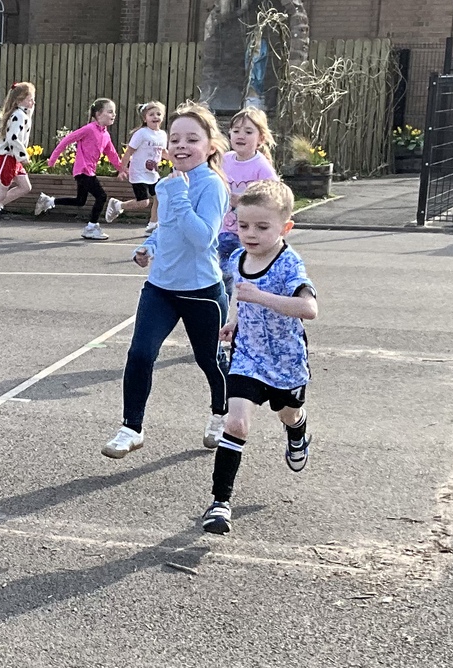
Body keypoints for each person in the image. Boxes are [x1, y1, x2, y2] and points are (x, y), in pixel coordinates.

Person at [100, 102, 232, 461]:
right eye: (175, 139)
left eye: (192, 139)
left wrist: (180, 197)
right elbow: (165, 230)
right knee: (140, 353)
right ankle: (132, 428)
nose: (181, 146)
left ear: (210, 146)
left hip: (202, 291)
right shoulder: (169, 183)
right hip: (160, 287)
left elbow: (202, 238)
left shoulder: (211, 186)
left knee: (209, 359)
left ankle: (221, 414)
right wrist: (148, 247)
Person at [205, 178, 316, 534]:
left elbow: (308, 309)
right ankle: (220, 503)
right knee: (235, 424)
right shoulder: (238, 258)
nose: (250, 234)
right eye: (243, 225)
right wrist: (234, 321)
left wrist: (260, 298)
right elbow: (242, 296)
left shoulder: (289, 264)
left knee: (288, 413)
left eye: (262, 227)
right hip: (248, 357)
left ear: (285, 228)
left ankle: (297, 430)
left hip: (286, 361)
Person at [0, 81, 57, 238]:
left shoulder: (22, 114)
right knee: (0, 193)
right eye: (30, 99)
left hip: (12, 158)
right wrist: (23, 156)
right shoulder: (18, 115)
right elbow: (13, 139)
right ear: (20, 100)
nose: (33, 102)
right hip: (6, 158)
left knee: (25, 186)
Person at [50, 99, 123, 241]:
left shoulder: (105, 135)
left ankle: (49, 201)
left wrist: (122, 169)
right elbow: (67, 140)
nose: (113, 115)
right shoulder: (89, 129)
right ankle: (91, 227)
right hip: (83, 170)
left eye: (114, 112)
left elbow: (112, 154)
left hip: (89, 171)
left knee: (80, 201)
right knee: (101, 196)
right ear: (98, 114)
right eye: (110, 112)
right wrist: (53, 159)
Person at [219, 105, 280, 264]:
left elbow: (275, 197)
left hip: (249, 234)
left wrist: (244, 201)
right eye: (236, 131)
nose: (241, 136)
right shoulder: (225, 159)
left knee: (240, 268)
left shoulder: (261, 166)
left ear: (261, 138)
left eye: (248, 132)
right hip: (223, 229)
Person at [113, 101, 169, 224]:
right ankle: (118, 205)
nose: (155, 117)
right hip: (138, 172)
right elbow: (129, 152)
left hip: (153, 173)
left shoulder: (162, 135)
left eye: (158, 114)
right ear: (145, 118)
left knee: (159, 197)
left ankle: (153, 223)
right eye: (151, 114)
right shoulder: (141, 133)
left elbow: (163, 152)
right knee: (143, 202)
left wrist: (177, 160)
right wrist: (122, 169)